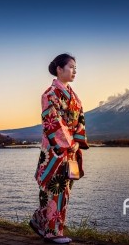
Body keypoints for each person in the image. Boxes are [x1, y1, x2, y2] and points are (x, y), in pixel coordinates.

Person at [30, 53, 89, 244]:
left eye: (75, 68)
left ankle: (40, 221)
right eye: (71, 67)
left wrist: (77, 142)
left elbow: (80, 121)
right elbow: (52, 122)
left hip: (70, 150)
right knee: (53, 188)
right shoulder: (49, 94)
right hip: (54, 151)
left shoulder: (75, 97)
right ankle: (51, 232)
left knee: (65, 189)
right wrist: (69, 143)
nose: (74, 71)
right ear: (59, 69)